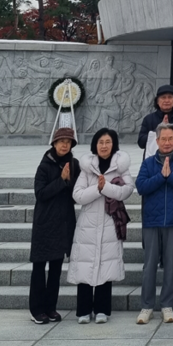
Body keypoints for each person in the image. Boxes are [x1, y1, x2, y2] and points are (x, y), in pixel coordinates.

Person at [67, 128, 134, 323]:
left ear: (114, 145)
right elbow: (77, 195)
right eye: (100, 142)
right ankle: (83, 311)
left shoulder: (120, 167)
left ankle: (103, 310)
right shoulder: (87, 168)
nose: (104, 146)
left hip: (109, 222)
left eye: (108, 142)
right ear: (95, 145)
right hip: (88, 224)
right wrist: (98, 188)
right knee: (85, 265)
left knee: (106, 265)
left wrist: (106, 187)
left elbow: (126, 191)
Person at [135, 122, 173, 324]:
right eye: (163, 139)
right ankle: (146, 306)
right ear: (157, 141)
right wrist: (161, 177)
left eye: (171, 139)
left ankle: (167, 305)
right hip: (151, 221)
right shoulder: (148, 163)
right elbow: (141, 186)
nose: (167, 142)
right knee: (149, 265)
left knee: (170, 264)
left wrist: (171, 176)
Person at [29, 127, 80, 324]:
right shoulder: (44, 165)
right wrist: (61, 181)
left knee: (56, 269)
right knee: (40, 269)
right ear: (54, 143)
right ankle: (36, 310)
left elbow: (76, 193)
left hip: (64, 223)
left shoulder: (74, 164)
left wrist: (69, 182)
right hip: (45, 223)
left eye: (68, 141)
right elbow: (40, 194)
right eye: (61, 141)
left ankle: (51, 307)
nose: (64, 144)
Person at [138, 83, 173, 156]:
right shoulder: (148, 119)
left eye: (170, 97)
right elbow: (141, 143)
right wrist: (158, 130)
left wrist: (172, 130)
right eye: (163, 97)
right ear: (157, 101)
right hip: (153, 160)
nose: (167, 100)